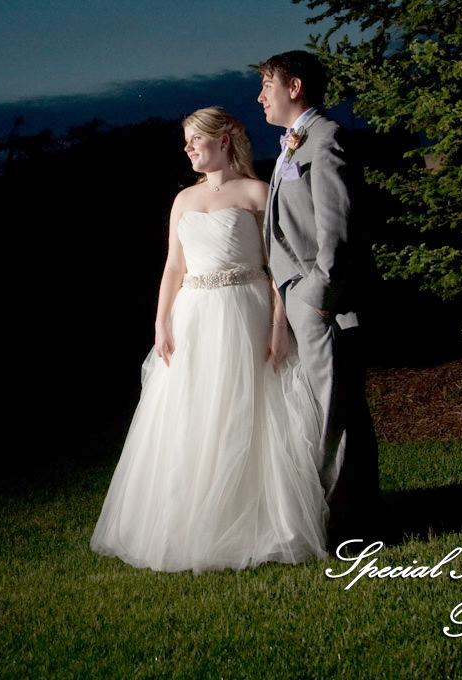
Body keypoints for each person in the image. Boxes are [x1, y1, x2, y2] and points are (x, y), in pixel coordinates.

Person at [90, 107, 327, 572]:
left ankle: (260, 522)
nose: (188, 147)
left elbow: (278, 268)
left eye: (195, 138)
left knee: (246, 409)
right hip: (194, 315)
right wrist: (161, 322)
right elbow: (173, 266)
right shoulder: (183, 199)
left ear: (224, 139)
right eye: (186, 140)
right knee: (191, 413)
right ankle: (187, 523)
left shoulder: (257, 192)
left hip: (246, 312)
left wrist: (279, 327)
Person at [258, 50, 380, 548]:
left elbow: (337, 228)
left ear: (295, 87)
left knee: (334, 416)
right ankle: (357, 516)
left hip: (320, 301)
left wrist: (319, 296)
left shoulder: (325, 139)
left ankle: (341, 527)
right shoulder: (296, 143)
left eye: (267, 85)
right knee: (335, 410)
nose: (260, 97)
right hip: (304, 299)